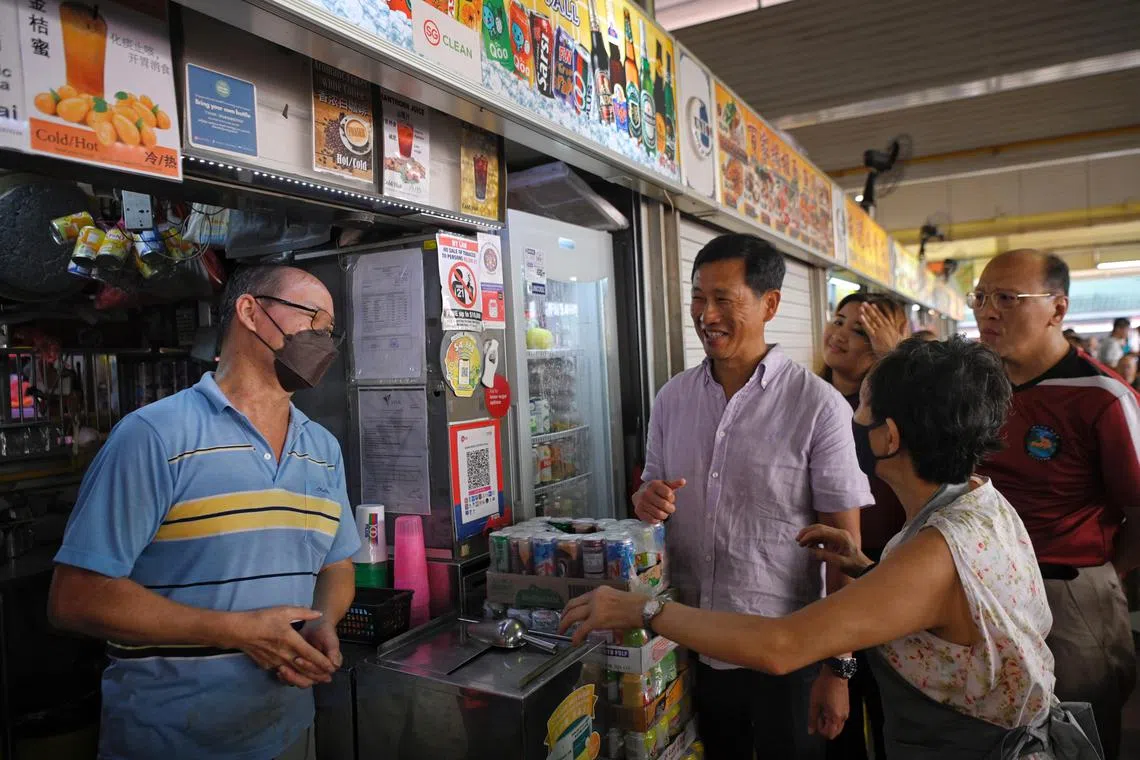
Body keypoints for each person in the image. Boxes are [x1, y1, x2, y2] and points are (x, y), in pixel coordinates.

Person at [563, 337, 1103, 759]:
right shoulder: (979, 502)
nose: (852, 420)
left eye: (861, 409)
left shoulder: (935, 550)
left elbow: (782, 645)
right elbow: (951, 610)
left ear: (889, 439)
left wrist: (645, 609)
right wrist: (867, 569)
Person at [48, 265, 360, 760]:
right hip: (169, 739)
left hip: (289, 730)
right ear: (250, 312)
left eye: (331, 330)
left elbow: (337, 565)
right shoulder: (153, 436)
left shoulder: (322, 448)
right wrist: (238, 631)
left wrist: (323, 622)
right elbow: (76, 598)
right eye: (312, 319)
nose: (325, 339)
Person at [632, 233, 872, 759]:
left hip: (785, 658)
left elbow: (844, 551)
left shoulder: (819, 406)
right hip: (688, 642)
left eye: (724, 299)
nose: (706, 314)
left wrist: (839, 668)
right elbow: (648, 490)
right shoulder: (672, 399)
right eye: (699, 297)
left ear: (770, 304)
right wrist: (646, 499)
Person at [971, 249, 1139, 760]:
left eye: (1007, 298)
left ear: (1057, 310)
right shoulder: (980, 387)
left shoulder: (1101, 396)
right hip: (984, 593)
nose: (987, 311)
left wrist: (1104, 577)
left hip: (1068, 596)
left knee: (1079, 737)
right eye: (980, 297)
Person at [820, 293, 909, 760]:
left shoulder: (897, 412)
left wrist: (895, 360)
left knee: (889, 706)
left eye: (861, 331)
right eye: (838, 320)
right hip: (822, 573)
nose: (839, 334)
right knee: (835, 719)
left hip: (887, 575)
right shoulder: (806, 398)